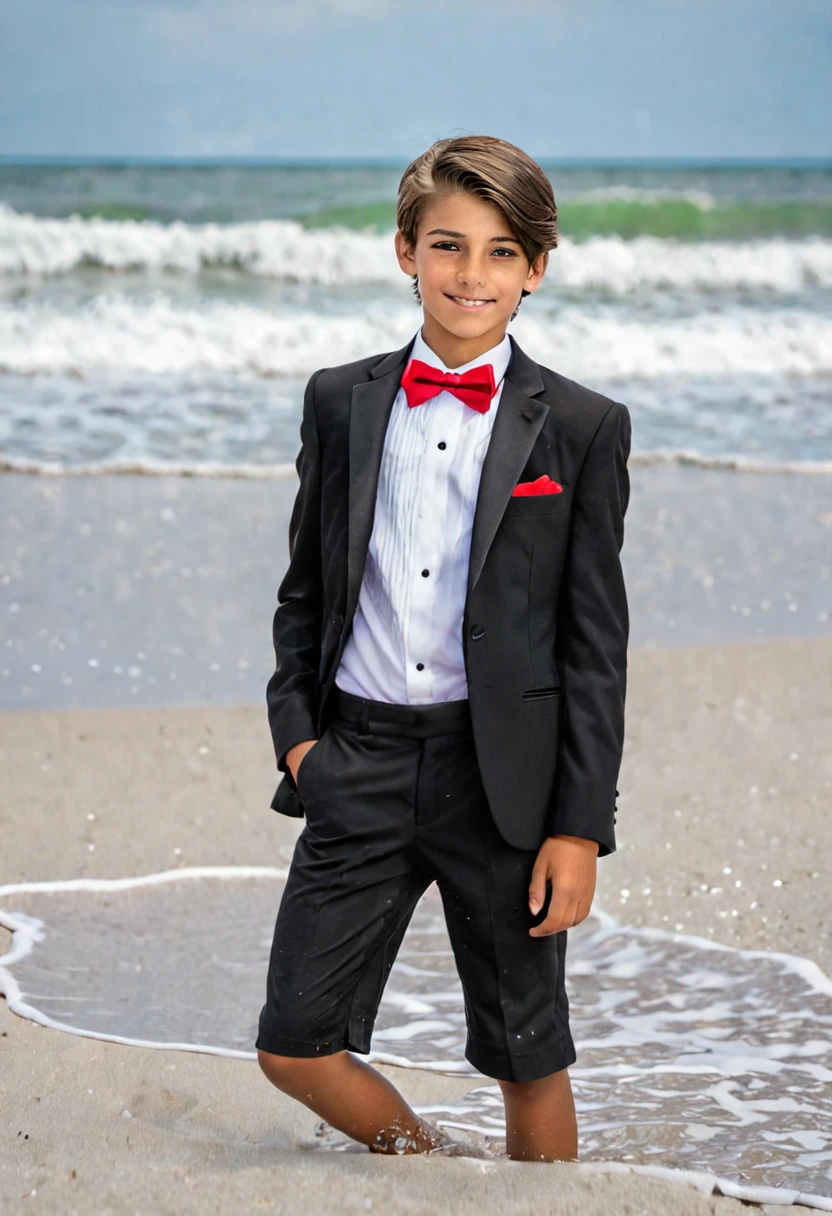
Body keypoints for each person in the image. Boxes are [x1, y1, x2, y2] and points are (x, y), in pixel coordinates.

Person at [255, 134, 631, 1162]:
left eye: (502, 251)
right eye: (448, 246)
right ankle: (431, 1165)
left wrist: (577, 827)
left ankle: (541, 1199)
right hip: (358, 761)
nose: (472, 276)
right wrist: (301, 746)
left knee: (526, 1049)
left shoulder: (584, 429)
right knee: (293, 1041)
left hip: (500, 776)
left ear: (536, 268)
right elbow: (303, 593)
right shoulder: (340, 400)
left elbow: (595, 645)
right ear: (404, 252)